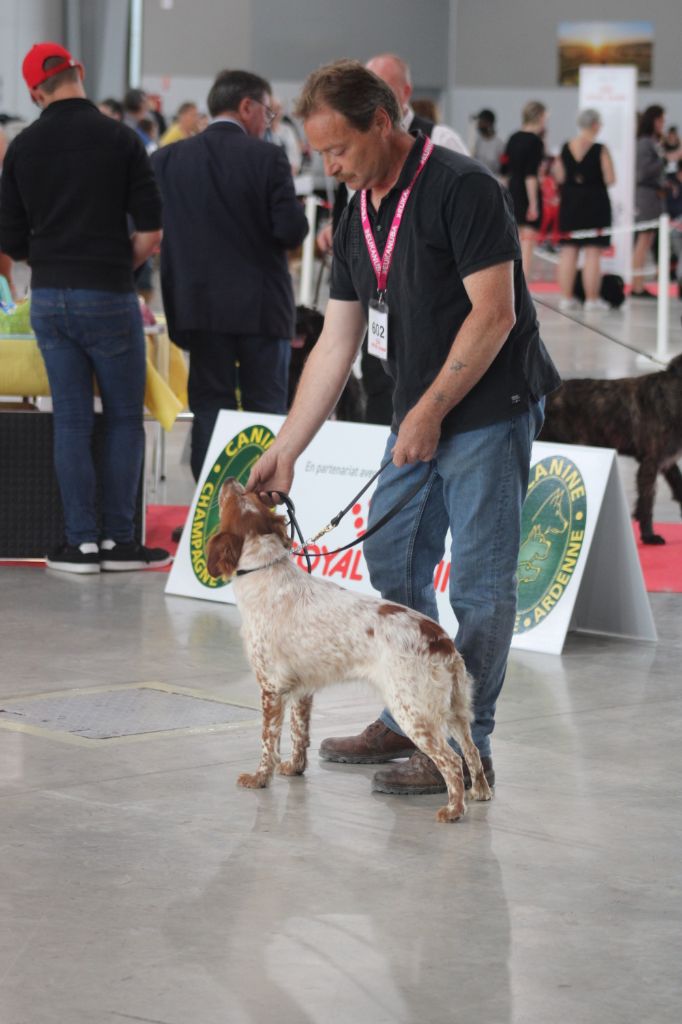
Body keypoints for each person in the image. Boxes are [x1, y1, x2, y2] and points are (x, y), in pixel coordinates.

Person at [247, 60, 560, 797]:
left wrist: (430, 411)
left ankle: (468, 744)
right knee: (392, 554)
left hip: (487, 408)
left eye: (339, 149)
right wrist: (287, 448)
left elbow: (496, 314)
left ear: (382, 123)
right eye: (321, 153)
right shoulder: (356, 208)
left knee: (481, 584)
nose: (329, 166)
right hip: (417, 411)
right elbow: (337, 340)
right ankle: (407, 709)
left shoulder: (463, 188)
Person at [0, 42, 170, 573]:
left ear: (35, 93)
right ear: (80, 71)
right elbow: (152, 231)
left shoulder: (23, 148)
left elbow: (11, 239)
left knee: (70, 421)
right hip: (110, 295)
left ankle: (80, 545)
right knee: (123, 419)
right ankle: (120, 542)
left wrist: (50, 262)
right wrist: (118, 265)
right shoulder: (121, 139)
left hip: (50, 297)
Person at [151, 70, 308, 481]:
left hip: (198, 308)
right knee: (265, 412)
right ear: (246, 106)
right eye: (268, 113)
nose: (268, 122)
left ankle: (211, 505)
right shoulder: (268, 158)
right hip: (261, 309)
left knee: (209, 410)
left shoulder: (167, 159)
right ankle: (261, 505)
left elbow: (149, 230)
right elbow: (291, 230)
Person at [554, 109, 615, 312]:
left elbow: (560, 176)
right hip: (595, 203)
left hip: (570, 202)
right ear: (595, 125)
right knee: (592, 253)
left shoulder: (565, 147)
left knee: (568, 251)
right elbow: (610, 178)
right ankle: (591, 299)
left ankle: (566, 298)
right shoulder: (600, 149)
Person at [632, 105, 682, 299]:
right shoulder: (645, 142)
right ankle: (636, 286)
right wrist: (665, 159)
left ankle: (639, 284)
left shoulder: (651, 142)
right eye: (660, 120)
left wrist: (665, 182)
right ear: (653, 120)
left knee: (646, 240)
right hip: (646, 197)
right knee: (643, 240)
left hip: (653, 195)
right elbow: (643, 171)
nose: (662, 124)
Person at [503, 100, 547, 280]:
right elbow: (531, 175)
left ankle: (513, 281)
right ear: (539, 117)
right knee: (528, 242)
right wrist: (534, 203)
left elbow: (504, 170)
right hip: (526, 192)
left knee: (514, 240)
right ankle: (523, 282)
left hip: (512, 190)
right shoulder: (535, 141)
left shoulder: (513, 138)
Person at [471, 109, 505, 176]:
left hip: (495, 178)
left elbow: (504, 164)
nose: (478, 125)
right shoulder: (478, 142)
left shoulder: (499, 144)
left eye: (481, 122)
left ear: (488, 123)